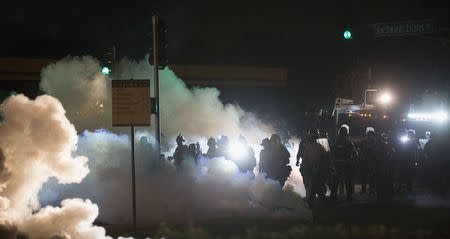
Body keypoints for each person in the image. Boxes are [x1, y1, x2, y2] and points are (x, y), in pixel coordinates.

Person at [297, 129, 327, 205]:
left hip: (318, 166)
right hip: (307, 166)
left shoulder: (322, 142)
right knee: (307, 182)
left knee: (318, 183)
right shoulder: (304, 142)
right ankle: (310, 197)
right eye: (313, 134)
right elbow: (300, 152)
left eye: (315, 134)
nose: (314, 136)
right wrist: (298, 161)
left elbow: (327, 155)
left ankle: (317, 197)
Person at [330, 125, 358, 202]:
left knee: (336, 183)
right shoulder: (348, 142)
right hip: (345, 165)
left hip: (339, 165)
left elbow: (332, 154)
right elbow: (355, 154)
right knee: (346, 182)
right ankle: (348, 198)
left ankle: (334, 198)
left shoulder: (337, 142)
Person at [358, 129, 381, 194]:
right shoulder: (363, 142)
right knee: (364, 177)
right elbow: (360, 151)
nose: (370, 136)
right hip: (365, 162)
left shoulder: (375, 142)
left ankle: (371, 189)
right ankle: (364, 189)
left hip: (372, 162)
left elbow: (377, 152)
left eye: (371, 135)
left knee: (371, 177)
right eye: (369, 135)